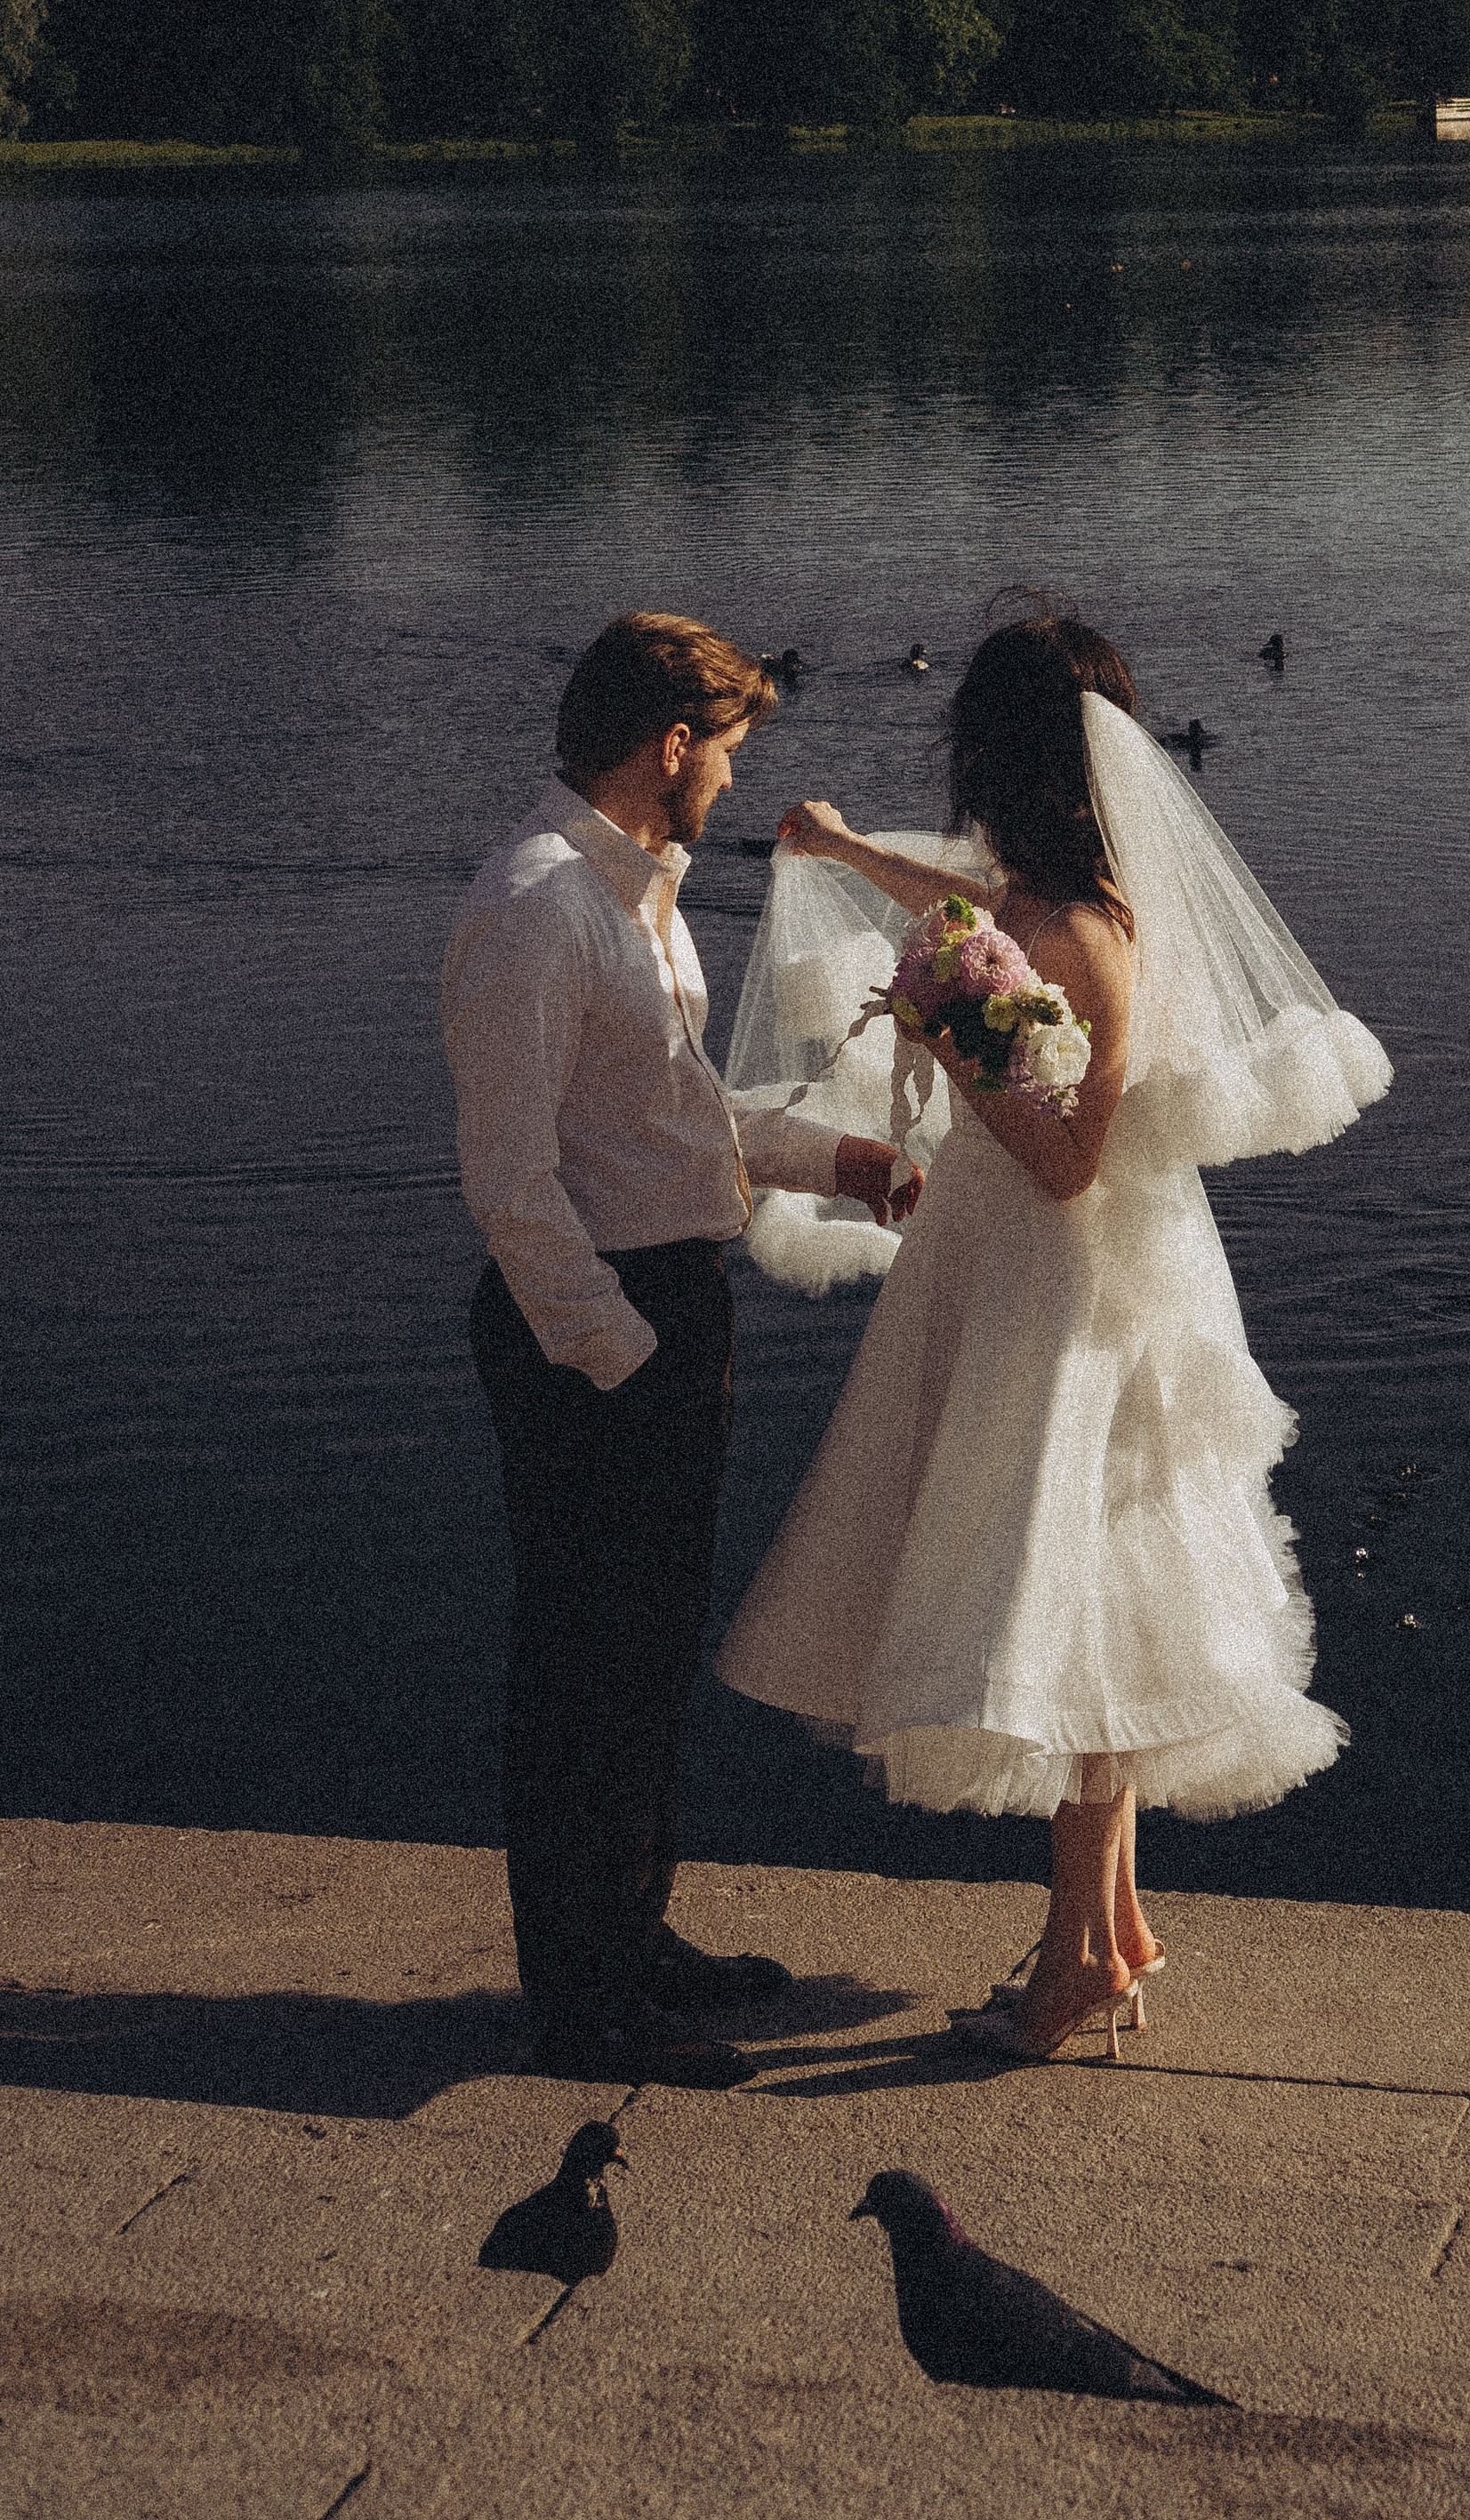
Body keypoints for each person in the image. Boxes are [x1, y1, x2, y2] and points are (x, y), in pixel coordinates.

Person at [715, 605, 1389, 2062]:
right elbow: (960, 905)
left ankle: (1076, 1962)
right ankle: (1105, 1932)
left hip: (1064, 1294)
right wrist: (839, 853)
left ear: (998, 756)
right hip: (1038, 1273)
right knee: (1099, 1601)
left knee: (1070, 1616)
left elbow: (1071, 1154)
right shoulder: (1042, 900)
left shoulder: (1070, 932)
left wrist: (962, 1042)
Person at [442, 611, 920, 2087]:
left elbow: (670, 1128)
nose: (728, 778)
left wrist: (837, 1164)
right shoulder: (535, 906)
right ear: (668, 748)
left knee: (643, 1659)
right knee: (582, 1671)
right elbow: (511, 1186)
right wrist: (624, 1354)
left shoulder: (633, 897)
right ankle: (581, 2008)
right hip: (596, 1330)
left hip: (659, 1303)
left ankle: (632, 1942)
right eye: (722, 750)